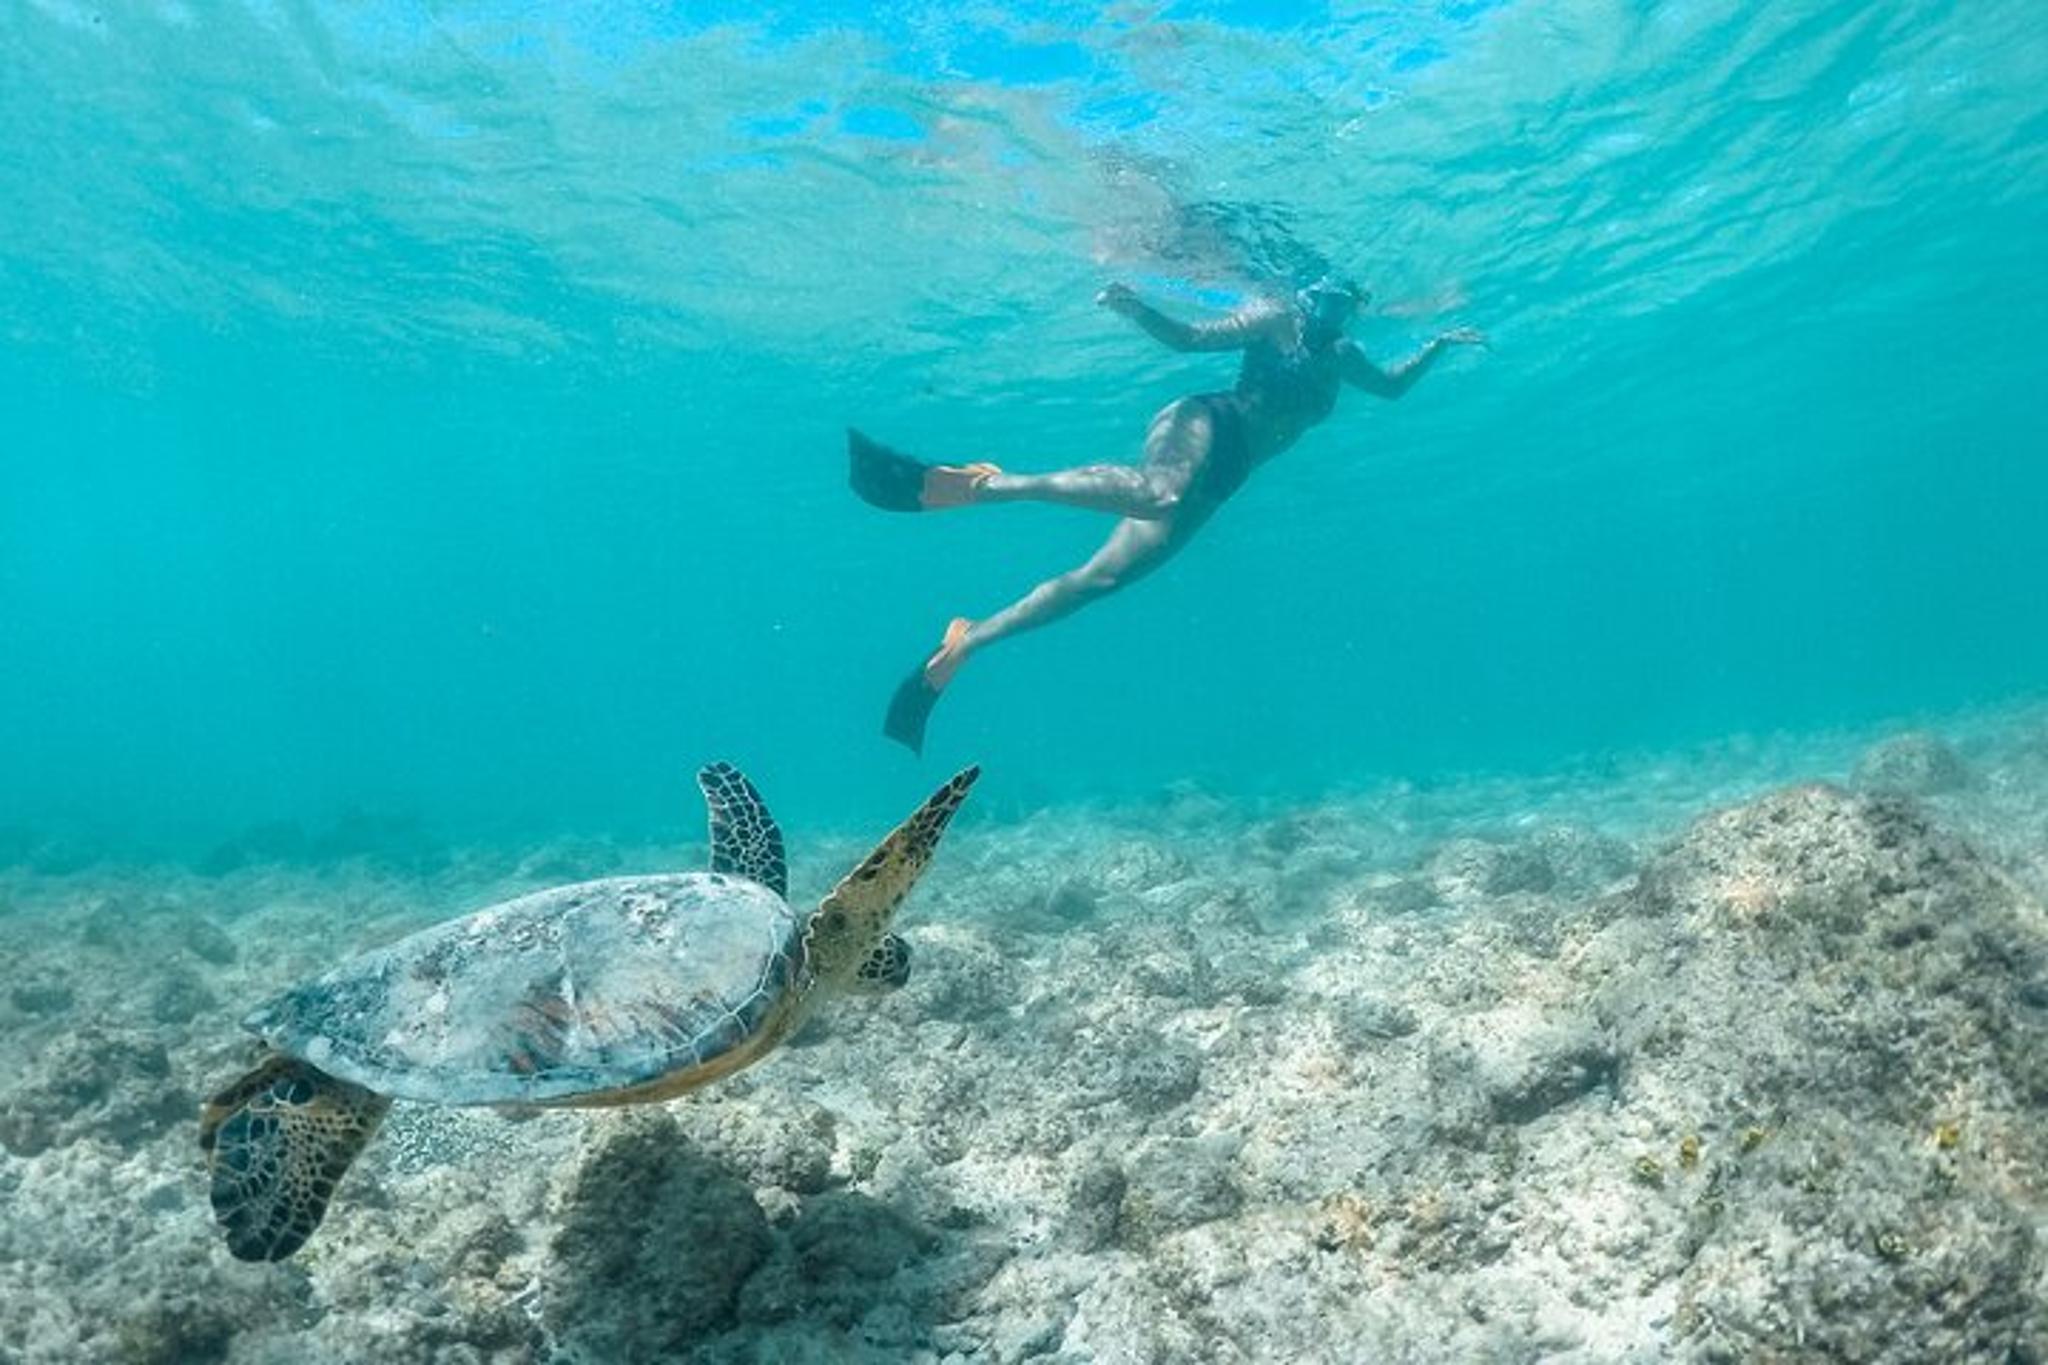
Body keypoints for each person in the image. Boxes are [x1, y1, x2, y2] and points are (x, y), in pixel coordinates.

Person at [849, 275, 1486, 753]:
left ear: (1354, 306)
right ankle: (989, 484)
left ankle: (968, 642)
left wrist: (1436, 345)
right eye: (1321, 296)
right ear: (1305, 294)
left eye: (1344, 301)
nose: (1329, 309)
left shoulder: (1343, 355)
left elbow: (1395, 388)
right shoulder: (1273, 319)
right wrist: (1136, 308)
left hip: (1229, 475)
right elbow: (1189, 340)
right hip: (1205, 422)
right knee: (1160, 492)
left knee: (1102, 580)